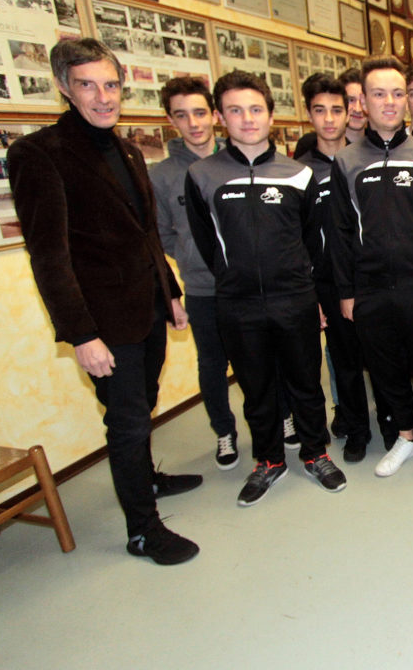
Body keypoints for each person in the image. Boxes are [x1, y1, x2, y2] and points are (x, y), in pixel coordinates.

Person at [8, 38, 200, 565]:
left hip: (148, 307)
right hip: (104, 321)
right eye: (87, 85)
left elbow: (146, 232)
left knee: (143, 402)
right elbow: (48, 256)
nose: (103, 96)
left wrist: (171, 293)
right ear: (64, 88)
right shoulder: (38, 154)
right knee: (127, 420)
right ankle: (143, 530)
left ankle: (147, 479)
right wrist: (81, 334)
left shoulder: (129, 150)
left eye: (111, 84)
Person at [186, 70, 344, 506]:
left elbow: (311, 238)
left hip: (294, 299)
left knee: (306, 384)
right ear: (220, 118)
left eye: (256, 109)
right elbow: (206, 241)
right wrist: (233, 278)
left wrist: (303, 287)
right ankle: (269, 460)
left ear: (271, 116)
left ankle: (315, 454)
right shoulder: (202, 175)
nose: (247, 118)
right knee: (256, 389)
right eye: (235, 111)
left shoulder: (298, 174)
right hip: (237, 304)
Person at [328, 56, 413, 477]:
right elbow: (340, 233)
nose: (389, 102)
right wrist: (347, 292)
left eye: (397, 93)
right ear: (363, 102)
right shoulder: (346, 162)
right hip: (370, 290)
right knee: (386, 369)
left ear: (406, 99)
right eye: (378, 94)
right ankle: (406, 435)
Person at [149, 76, 239, 471]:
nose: (194, 123)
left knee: (261, 359)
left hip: (247, 284)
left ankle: (279, 418)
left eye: (200, 113)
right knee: (212, 365)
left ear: (215, 115)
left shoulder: (238, 160)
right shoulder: (162, 175)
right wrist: (191, 257)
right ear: (171, 121)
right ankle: (224, 432)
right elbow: (162, 233)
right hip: (203, 289)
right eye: (182, 116)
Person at [294, 72, 373, 464]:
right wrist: (312, 293)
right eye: (320, 110)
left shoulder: (364, 159)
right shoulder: (298, 171)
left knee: (382, 355)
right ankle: (357, 429)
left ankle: (393, 423)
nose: (329, 119)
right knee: (345, 362)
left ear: (349, 112)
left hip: (372, 276)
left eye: (336, 110)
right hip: (328, 281)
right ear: (309, 114)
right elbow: (298, 238)